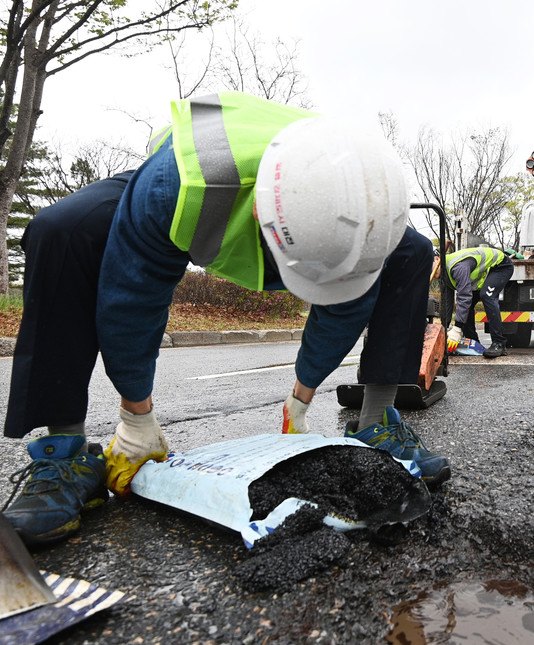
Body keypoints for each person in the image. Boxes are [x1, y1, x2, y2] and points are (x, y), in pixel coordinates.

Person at [2, 92, 451, 546]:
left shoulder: (365, 192)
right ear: (261, 219)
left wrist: (300, 399)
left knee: (413, 250)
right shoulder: (176, 190)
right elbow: (132, 301)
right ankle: (66, 452)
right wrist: (136, 415)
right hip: (189, 169)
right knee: (61, 230)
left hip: (317, 196)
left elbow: (347, 304)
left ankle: (378, 418)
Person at [440, 246, 514, 359]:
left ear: (436, 260)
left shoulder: (458, 267)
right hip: (486, 273)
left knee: (487, 295)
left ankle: (499, 343)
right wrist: (442, 331)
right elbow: (447, 302)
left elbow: (464, 297)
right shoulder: (442, 273)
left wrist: (457, 329)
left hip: (501, 266)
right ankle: (473, 342)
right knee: (467, 306)